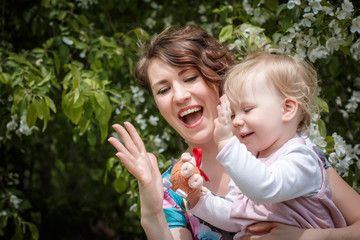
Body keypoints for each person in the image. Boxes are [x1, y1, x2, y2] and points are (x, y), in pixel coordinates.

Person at [107, 25, 360, 240]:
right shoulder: (174, 188)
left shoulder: (280, 149)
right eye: (163, 90)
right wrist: (152, 214)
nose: (180, 96)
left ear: (217, 78)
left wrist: (307, 236)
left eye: (190, 77)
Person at [183, 50, 346, 238]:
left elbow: (265, 187)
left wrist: (227, 143)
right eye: (234, 114)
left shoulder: (302, 158)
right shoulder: (254, 160)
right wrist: (199, 199)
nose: (236, 121)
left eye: (247, 109)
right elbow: (235, 217)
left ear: (287, 109)